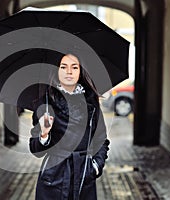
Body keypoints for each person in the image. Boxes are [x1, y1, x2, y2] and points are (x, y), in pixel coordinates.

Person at [29, 54, 110, 200]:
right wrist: (44, 134)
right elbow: (35, 150)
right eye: (63, 67)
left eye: (74, 67)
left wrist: (95, 167)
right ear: (56, 70)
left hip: (84, 176)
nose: (69, 72)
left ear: (80, 71)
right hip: (53, 178)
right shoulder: (45, 104)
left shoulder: (91, 103)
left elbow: (101, 140)